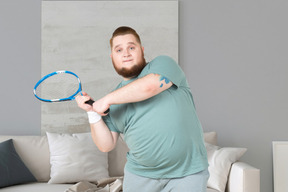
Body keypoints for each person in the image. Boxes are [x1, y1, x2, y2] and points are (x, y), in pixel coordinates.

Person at [76, 26, 209, 192]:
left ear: (142, 50)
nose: (126, 53)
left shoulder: (163, 64)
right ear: (112, 57)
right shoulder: (113, 101)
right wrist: (92, 113)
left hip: (188, 173)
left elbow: (149, 87)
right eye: (119, 50)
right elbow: (106, 145)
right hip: (140, 177)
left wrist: (106, 100)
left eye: (131, 47)